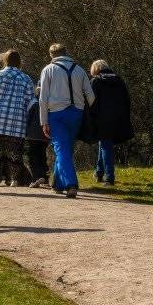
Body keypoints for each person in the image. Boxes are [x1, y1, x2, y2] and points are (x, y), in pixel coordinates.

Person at [37, 44, 94, 198]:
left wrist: (43, 121)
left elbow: (43, 99)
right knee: (66, 149)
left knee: (61, 149)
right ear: (66, 53)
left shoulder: (48, 70)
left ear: (51, 55)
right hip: (77, 113)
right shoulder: (80, 69)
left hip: (56, 113)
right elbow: (91, 96)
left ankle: (71, 184)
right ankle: (57, 183)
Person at [0, 50, 32, 186]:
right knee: (15, 152)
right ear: (19, 62)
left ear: (5, 60)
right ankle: (14, 179)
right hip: (17, 121)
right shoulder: (26, 78)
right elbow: (29, 99)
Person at [86, 59, 134, 187]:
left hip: (102, 119)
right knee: (104, 144)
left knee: (106, 146)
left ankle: (109, 177)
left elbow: (91, 101)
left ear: (95, 70)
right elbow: (126, 99)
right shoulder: (119, 80)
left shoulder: (96, 81)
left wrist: (90, 117)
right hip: (118, 118)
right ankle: (99, 172)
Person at [22, 93, 49, 187]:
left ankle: (36, 178)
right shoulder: (48, 102)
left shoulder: (33, 103)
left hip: (33, 135)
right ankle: (45, 178)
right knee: (42, 156)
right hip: (45, 136)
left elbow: (28, 119)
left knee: (32, 157)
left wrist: (25, 132)